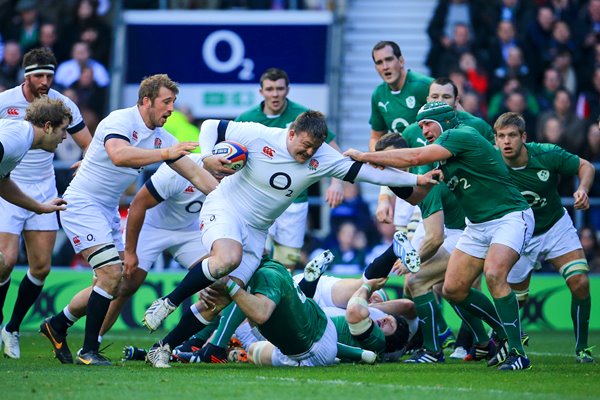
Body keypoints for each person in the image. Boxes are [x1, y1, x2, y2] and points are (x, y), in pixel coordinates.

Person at [141, 111, 442, 344]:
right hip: (226, 209)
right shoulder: (260, 135)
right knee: (227, 259)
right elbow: (210, 127)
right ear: (292, 132)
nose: (309, 153)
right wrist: (207, 157)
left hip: (258, 231)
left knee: (218, 301)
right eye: (306, 145)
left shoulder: (322, 157)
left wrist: (415, 180)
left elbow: (369, 175)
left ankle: (164, 347)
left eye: (316, 148)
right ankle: (168, 302)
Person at [39, 74, 219, 366]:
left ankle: (58, 323)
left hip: (107, 208)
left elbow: (197, 175)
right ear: (146, 101)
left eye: (174, 102)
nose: (172, 108)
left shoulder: (163, 137)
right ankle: (88, 351)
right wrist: (164, 153)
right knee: (111, 275)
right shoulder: (119, 121)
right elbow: (119, 155)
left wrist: (227, 198)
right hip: (82, 204)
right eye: (166, 101)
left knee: (119, 282)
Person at [345, 101, 535, 371]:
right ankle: (501, 333)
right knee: (453, 289)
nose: (422, 130)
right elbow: (418, 196)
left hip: (509, 216)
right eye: (420, 125)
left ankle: (517, 352)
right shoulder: (442, 156)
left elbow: (413, 158)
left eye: (426, 124)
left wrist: (366, 157)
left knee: (494, 274)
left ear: (444, 120)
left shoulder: (461, 134)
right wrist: (385, 178)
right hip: (477, 226)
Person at [0, 48, 93, 359]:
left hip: (36, 189)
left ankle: (11, 328)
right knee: (5, 260)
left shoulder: (61, 107)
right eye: (38, 75)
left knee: (40, 266)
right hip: (9, 188)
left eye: (50, 76)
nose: (45, 81)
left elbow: (88, 145)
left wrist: (89, 162)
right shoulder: (10, 114)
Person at [495, 112, 595, 364]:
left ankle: (582, 348)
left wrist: (582, 189)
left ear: (524, 137)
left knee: (581, 282)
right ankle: (503, 341)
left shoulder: (546, 154)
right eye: (501, 136)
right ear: (495, 139)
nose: (506, 142)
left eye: (512, 136)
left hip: (554, 227)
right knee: (515, 300)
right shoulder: (490, 162)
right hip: (517, 232)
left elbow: (586, 166)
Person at [235, 67, 343, 270]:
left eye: (279, 88)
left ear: (287, 90)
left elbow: (334, 152)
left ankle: (278, 299)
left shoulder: (303, 117)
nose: (275, 94)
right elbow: (230, 152)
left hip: (294, 201)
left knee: (288, 263)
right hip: (258, 200)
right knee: (253, 258)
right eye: (269, 89)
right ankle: (253, 300)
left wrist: (336, 183)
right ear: (261, 92)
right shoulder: (246, 118)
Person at [94, 153, 211, 336]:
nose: (225, 170)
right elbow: (138, 204)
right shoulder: (178, 171)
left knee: (217, 280)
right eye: (221, 165)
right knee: (124, 285)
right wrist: (130, 252)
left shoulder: (234, 176)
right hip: (151, 227)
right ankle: (91, 341)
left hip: (189, 229)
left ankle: (195, 344)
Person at [369, 40, 433, 234]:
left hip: (429, 172)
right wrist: (384, 195)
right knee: (402, 236)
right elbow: (376, 138)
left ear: (401, 60)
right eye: (379, 62)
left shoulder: (423, 86)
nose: (385, 66)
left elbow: (454, 111)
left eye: (389, 59)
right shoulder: (379, 95)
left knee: (419, 238)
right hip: (403, 173)